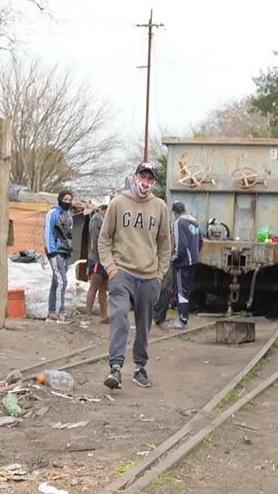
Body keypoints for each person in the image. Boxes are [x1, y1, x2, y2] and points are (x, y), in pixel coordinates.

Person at [98, 162, 171, 389]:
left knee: (143, 323)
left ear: (155, 183)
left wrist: (160, 274)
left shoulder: (160, 207)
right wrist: (111, 268)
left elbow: (165, 244)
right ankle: (116, 367)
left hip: (149, 277)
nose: (145, 183)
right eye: (142, 177)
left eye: (150, 179)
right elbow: (104, 238)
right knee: (119, 314)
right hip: (123, 273)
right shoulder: (118, 203)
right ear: (134, 177)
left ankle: (140, 367)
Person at [168, 201, 203, 329]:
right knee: (185, 289)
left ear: (174, 212)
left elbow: (180, 245)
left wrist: (174, 259)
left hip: (182, 263)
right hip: (193, 261)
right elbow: (200, 242)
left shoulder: (178, 223)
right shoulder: (194, 222)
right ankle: (181, 315)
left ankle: (183, 320)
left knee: (181, 290)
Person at [44, 190, 74, 321]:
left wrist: (69, 250)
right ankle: (59, 312)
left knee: (56, 282)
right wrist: (51, 251)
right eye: (65, 199)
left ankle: (52, 311)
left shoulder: (69, 216)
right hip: (55, 252)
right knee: (62, 281)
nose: (67, 202)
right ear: (60, 199)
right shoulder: (52, 214)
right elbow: (47, 232)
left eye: (69, 200)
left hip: (65, 253)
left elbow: (70, 236)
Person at [86, 203, 109, 324]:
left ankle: (104, 315)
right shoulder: (96, 219)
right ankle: (88, 315)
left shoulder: (106, 220)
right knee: (94, 286)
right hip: (97, 258)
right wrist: (101, 256)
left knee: (103, 288)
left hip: (105, 259)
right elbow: (96, 240)